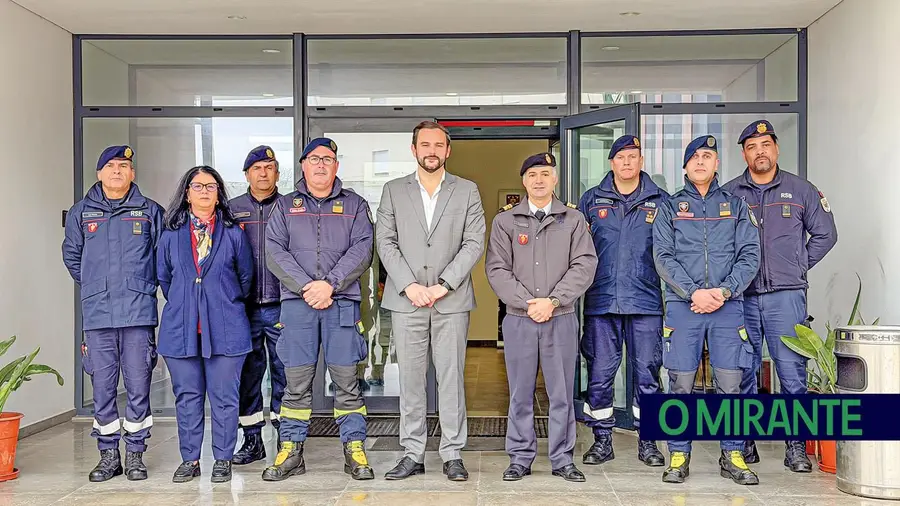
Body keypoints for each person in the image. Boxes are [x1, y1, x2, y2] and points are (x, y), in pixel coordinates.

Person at [722, 120, 838, 471]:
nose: (760, 151)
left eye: (766, 144)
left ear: (776, 149)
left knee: (792, 374)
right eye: (753, 146)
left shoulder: (801, 190)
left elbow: (825, 235)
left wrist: (797, 267)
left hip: (786, 299)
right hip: (741, 297)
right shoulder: (729, 194)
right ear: (743, 153)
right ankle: (744, 444)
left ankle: (796, 449)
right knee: (743, 372)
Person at [376, 121, 486, 481]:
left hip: (449, 301)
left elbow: (474, 242)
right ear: (413, 149)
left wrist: (443, 285)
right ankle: (412, 452)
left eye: (439, 144)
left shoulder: (467, 190)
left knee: (451, 378)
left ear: (448, 150)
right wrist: (409, 285)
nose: (432, 150)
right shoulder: (393, 191)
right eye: (425, 144)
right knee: (410, 379)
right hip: (407, 301)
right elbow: (385, 242)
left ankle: (452, 453)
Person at [262, 137, 375, 481]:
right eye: (314, 159)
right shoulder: (284, 206)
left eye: (328, 159)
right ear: (303, 165)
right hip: (298, 306)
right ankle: (291, 451)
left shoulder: (355, 204)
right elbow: (274, 251)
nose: (321, 164)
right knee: (295, 384)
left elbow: (363, 248)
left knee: (347, 382)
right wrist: (308, 287)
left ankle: (354, 449)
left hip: (341, 304)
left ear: (336, 166)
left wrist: (331, 284)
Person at [653, 135, 761, 485]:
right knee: (680, 383)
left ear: (717, 165)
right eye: (694, 157)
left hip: (728, 307)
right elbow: (663, 257)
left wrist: (725, 290)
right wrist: (693, 292)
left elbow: (750, 255)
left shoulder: (736, 205)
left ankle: (733, 455)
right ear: (685, 167)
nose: (700, 162)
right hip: (684, 307)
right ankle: (679, 455)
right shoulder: (669, 207)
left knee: (731, 383)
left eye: (707, 156)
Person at [485, 153, 597, 483]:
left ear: (555, 179)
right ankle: (520, 457)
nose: (538, 180)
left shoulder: (572, 220)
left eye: (545, 174)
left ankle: (562, 458)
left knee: (561, 393)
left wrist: (554, 300)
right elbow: (496, 268)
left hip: (560, 318)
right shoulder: (505, 222)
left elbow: (584, 265)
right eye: (532, 174)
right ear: (523, 181)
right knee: (519, 393)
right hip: (520, 320)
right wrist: (528, 302)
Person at [62, 145, 164, 483]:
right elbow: (72, 257)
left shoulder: (150, 212)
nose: (117, 171)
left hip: (137, 314)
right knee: (102, 388)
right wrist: (95, 284)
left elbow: (160, 259)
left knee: (138, 386)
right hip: (98, 315)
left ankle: (135, 454)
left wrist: (139, 287)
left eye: (124, 166)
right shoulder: (81, 213)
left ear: (133, 174)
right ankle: (109, 457)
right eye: (110, 166)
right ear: (99, 173)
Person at [156, 166, 254, 483]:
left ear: (218, 194)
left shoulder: (234, 233)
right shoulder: (170, 236)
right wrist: (190, 302)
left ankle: (223, 459)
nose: (204, 191)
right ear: (186, 193)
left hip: (226, 328)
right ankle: (190, 459)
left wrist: (218, 300)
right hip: (181, 331)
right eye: (197, 186)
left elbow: (245, 278)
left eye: (210, 186)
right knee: (188, 397)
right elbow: (165, 279)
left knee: (225, 397)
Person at [576, 135, 667, 467]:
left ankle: (649, 441)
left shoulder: (661, 201)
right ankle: (602, 440)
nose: (628, 162)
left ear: (641, 162)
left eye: (634, 157)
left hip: (646, 303)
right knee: (600, 373)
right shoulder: (591, 200)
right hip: (601, 302)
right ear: (611, 162)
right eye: (621, 157)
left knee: (647, 373)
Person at [228, 145, 287, 465]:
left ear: (277, 173)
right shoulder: (231, 209)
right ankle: (252, 441)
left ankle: (285, 440)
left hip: (282, 304)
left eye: (269, 167)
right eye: (257, 168)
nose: (263, 173)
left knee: (285, 374)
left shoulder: (291, 206)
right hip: (244, 307)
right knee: (248, 376)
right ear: (247, 174)